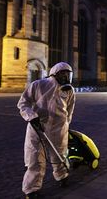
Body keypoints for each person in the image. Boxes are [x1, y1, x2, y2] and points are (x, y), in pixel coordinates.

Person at [17, 62, 76, 198]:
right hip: (37, 128)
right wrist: (31, 116)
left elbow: (69, 111)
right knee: (35, 158)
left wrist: (65, 125)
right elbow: (23, 103)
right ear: (55, 74)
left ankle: (62, 176)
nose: (66, 77)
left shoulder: (69, 90)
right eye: (63, 74)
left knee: (59, 154)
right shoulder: (38, 85)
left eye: (68, 74)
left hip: (58, 129)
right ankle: (31, 190)